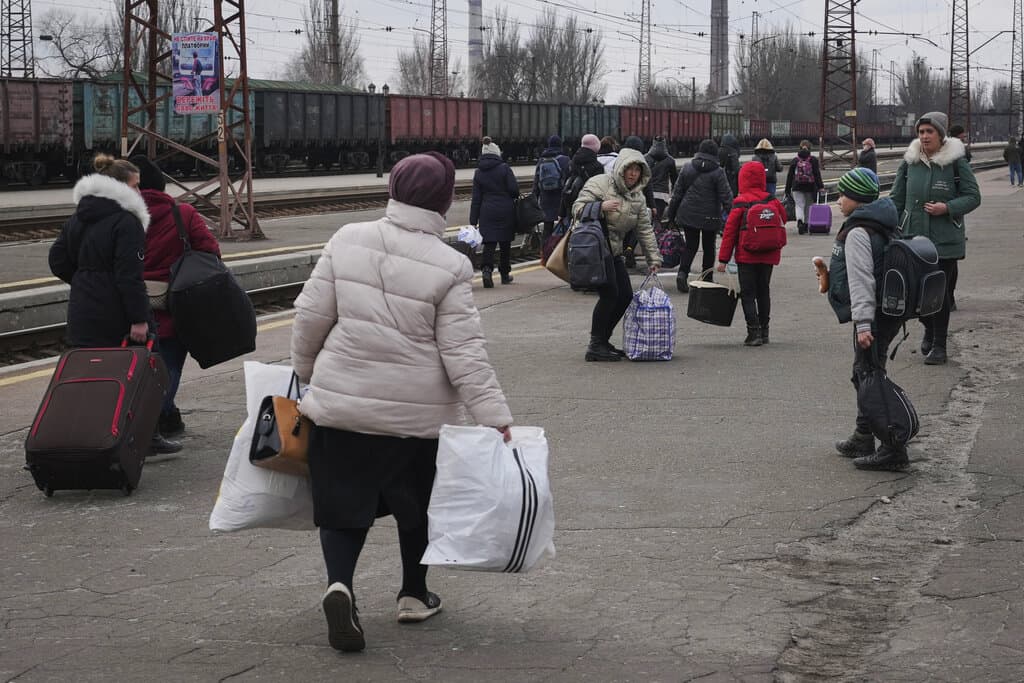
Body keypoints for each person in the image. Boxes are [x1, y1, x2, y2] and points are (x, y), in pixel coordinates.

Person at [290, 152, 514, 653]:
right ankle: (413, 594)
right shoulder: (451, 264)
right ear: (441, 200)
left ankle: (340, 585)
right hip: (415, 420)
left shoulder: (347, 238)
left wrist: (308, 375)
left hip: (341, 410)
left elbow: (308, 318)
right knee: (417, 508)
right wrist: (493, 416)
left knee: (343, 505)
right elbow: (463, 352)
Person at [48, 154, 181, 455]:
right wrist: (138, 320)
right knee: (144, 373)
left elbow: (57, 260)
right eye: (134, 186)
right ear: (119, 187)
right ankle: (147, 437)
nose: (138, 192)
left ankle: (86, 436)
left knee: (89, 378)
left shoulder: (78, 217)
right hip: (117, 312)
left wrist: (85, 282)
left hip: (83, 310)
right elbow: (129, 276)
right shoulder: (127, 221)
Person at [130, 155, 221, 438]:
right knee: (168, 367)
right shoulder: (182, 214)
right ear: (161, 186)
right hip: (172, 305)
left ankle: (163, 417)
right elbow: (211, 253)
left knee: (131, 369)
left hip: (128, 305)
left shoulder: (119, 215)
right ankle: (152, 426)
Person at [825, 167, 910, 471]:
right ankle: (863, 435)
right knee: (865, 372)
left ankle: (892, 448)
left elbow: (862, 280)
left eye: (843, 194)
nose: (838, 199)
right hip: (885, 312)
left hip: (871, 315)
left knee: (870, 376)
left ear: (857, 198)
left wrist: (862, 324)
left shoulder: (859, 232)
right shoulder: (880, 222)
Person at [890, 111, 981, 366]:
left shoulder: (955, 162)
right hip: (913, 240)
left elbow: (974, 196)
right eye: (921, 132)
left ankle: (939, 345)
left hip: (944, 242)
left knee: (939, 295)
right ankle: (928, 327)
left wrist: (947, 208)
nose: (924, 136)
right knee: (915, 294)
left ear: (941, 135)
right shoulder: (909, 162)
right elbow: (896, 199)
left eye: (930, 131)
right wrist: (889, 229)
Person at [571, 149, 662, 361]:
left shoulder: (637, 196)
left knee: (625, 296)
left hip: (614, 250)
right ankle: (595, 345)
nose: (632, 174)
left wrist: (653, 259)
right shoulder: (600, 183)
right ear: (621, 168)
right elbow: (576, 208)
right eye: (629, 169)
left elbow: (644, 229)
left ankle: (603, 340)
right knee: (610, 294)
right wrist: (600, 206)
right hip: (596, 250)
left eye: (637, 170)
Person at [716, 161, 785, 347]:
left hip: (746, 256)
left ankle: (753, 333)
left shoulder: (740, 202)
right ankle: (765, 331)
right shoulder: (771, 200)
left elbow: (729, 232)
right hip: (769, 254)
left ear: (742, 179)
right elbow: (784, 217)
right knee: (764, 291)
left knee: (748, 293)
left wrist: (723, 259)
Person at [664, 139, 733, 293]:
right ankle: (707, 279)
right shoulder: (718, 171)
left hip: (688, 214)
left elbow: (677, 194)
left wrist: (671, 215)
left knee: (691, 246)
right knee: (709, 247)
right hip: (710, 217)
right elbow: (726, 197)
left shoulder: (688, 167)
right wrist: (734, 216)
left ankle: (682, 274)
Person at [470, 137, 518, 288]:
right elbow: (514, 190)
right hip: (505, 209)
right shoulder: (504, 168)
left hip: (487, 210)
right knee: (505, 243)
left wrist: (473, 220)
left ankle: (486, 271)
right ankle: (504, 274)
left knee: (489, 243)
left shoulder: (478, 172)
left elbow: (476, 198)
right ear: (497, 153)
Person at [621, 135, 657, 268]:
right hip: (637, 201)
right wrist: (652, 205)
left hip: (621, 200)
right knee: (636, 228)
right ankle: (630, 249)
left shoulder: (620, 162)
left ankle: (623, 251)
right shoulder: (641, 163)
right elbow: (648, 186)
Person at [558, 133, 605, 224]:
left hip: (570, 205)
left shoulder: (572, 163)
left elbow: (566, 186)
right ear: (596, 147)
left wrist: (561, 212)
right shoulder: (597, 166)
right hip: (588, 208)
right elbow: (599, 191)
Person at [532, 135, 570, 246]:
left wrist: (535, 198)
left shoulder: (542, 160)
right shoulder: (565, 160)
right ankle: (560, 253)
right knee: (564, 226)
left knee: (547, 228)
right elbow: (569, 179)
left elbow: (536, 182)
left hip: (546, 199)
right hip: (561, 199)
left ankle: (545, 253)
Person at [784, 139, 825, 235]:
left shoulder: (795, 160)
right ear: (810, 148)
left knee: (799, 205)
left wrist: (787, 189)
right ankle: (806, 224)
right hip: (810, 186)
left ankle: (799, 221)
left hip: (797, 186)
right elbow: (816, 174)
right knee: (808, 206)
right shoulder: (813, 160)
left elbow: (790, 176)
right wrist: (820, 187)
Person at [645, 135, 679, 221]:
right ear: (665, 144)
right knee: (657, 219)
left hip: (647, 193)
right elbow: (675, 180)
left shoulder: (645, 158)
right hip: (662, 194)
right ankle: (657, 232)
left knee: (647, 219)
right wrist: (674, 196)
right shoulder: (670, 160)